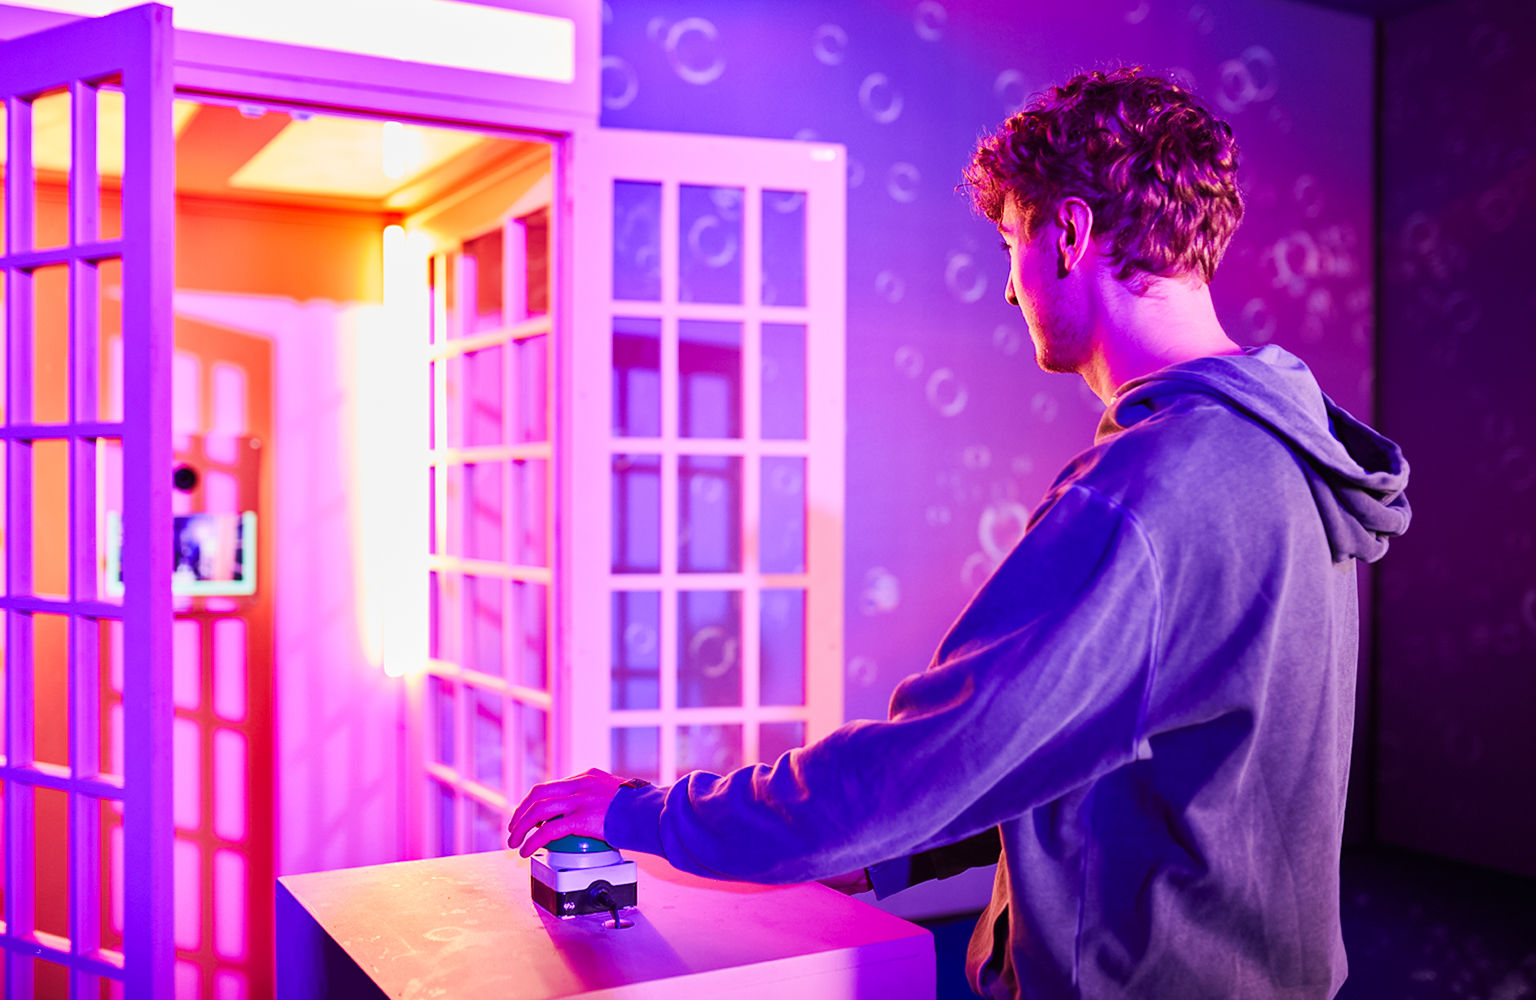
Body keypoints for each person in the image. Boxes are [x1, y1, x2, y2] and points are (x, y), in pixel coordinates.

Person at [508, 67, 1410, 999]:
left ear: (1068, 233)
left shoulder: (1146, 493)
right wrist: (885, 860)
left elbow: (928, 759)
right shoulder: (1280, 452)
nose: (1008, 292)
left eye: (1012, 241)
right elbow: (1116, 747)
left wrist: (644, 814)